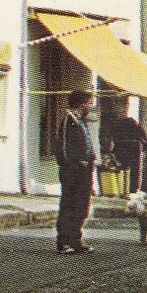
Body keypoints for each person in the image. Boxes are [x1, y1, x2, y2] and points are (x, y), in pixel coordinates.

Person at [53, 90, 97, 254]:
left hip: (84, 171)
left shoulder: (80, 122)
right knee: (69, 205)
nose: (89, 106)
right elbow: (63, 148)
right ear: (81, 103)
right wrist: (74, 164)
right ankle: (64, 241)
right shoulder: (68, 121)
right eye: (87, 103)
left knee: (81, 207)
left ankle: (76, 240)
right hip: (73, 171)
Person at [105, 106, 147, 194]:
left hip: (120, 148)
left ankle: (121, 189)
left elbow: (111, 139)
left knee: (121, 169)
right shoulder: (136, 127)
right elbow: (144, 139)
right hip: (134, 149)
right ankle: (132, 189)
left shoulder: (116, 126)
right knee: (134, 171)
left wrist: (111, 151)